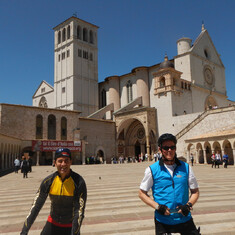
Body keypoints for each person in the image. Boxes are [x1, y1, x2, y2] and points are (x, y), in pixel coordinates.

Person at [139, 133, 200, 235]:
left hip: (184, 218)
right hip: (163, 220)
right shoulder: (152, 170)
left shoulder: (186, 167)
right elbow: (141, 193)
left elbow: (195, 192)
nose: (169, 150)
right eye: (166, 148)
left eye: (172, 147)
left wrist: (188, 205)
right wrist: (158, 207)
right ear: (160, 149)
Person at [20, 148, 87, 235]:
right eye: (60, 161)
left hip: (71, 226)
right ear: (55, 163)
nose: (63, 164)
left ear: (71, 162)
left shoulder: (79, 182)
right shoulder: (48, 181)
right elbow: (36, 207)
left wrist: (74, 232)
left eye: (66, 161)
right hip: (52, 223)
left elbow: (79, 211)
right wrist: (24, 231)